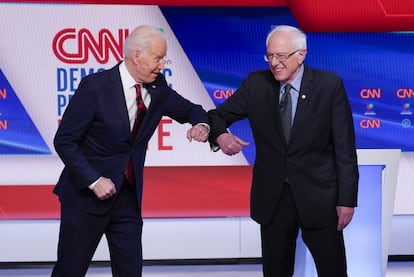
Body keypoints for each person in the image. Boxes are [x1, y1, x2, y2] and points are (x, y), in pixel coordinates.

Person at [52, 25, 210, 277]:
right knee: (70, 270)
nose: (161, 65)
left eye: (163, 59)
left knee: (130, 271)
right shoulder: (96, 87)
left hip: (126, 198)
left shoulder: (158, 88)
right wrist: (94, 180)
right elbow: (64, 141)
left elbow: (192, 110)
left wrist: (201, 125)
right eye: (157, 58)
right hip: (85, 197)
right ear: (137, 55)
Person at [208, 25, 359, 276]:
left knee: (332, 270)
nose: (275, 63)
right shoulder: (256, 84)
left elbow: (345, 148)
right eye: (270, 56)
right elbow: (216, 116)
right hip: (273, 200)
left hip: (319, 197)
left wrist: (347, 199)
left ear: (301, 55)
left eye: (281, 56)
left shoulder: (328, 86)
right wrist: (221, 135)